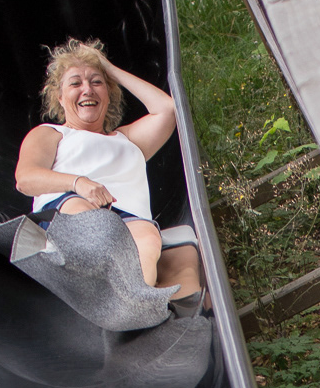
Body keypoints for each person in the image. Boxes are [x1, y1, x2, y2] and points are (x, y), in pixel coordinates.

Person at [14, 40, 203, 296]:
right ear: (60, 97)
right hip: (71, 204)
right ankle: (103, 288)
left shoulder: (128, 140)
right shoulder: (53, 134)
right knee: (95, 224)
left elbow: (167, 110)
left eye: (96, 82)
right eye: (75, 83)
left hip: (130, 219)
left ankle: (138, 296)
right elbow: (25, 179)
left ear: (109, 93)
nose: (87, 90)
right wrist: (78, 183)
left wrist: (108, 68)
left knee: (147, 239)